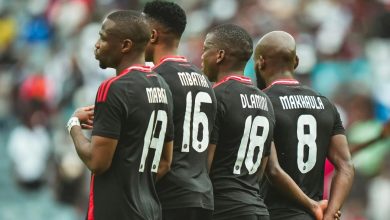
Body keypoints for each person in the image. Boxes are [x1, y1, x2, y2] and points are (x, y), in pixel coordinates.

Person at [202, 24, 327, 220]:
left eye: (205, 49)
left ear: (219, 55)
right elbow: (269, 168)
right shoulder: (264, 101)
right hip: (257, 208)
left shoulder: (216, 96)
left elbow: (204, 166)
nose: (201, 57)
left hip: (225, 208)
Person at [67, 10, 174, 220]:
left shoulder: (114, 88)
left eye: (104, 38)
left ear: (125, 45)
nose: (97, 44)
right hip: (150, 211)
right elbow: (165, 163)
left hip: (116, 212)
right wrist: (136, 187)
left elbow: (97, 162)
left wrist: (73, 125)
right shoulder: (163, 86)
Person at [253, 31, 354, 220]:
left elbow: (272, 170)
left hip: (273, 214)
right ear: (296, 61)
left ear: (261, 62)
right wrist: (331, 213)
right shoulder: (326, 104)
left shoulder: (262, 102)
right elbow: (346, 165)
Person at [142, 2, 217, 220]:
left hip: (168, 197)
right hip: (202, 196)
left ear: (153, 35)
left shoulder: (154, 79)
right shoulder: (204, 80)